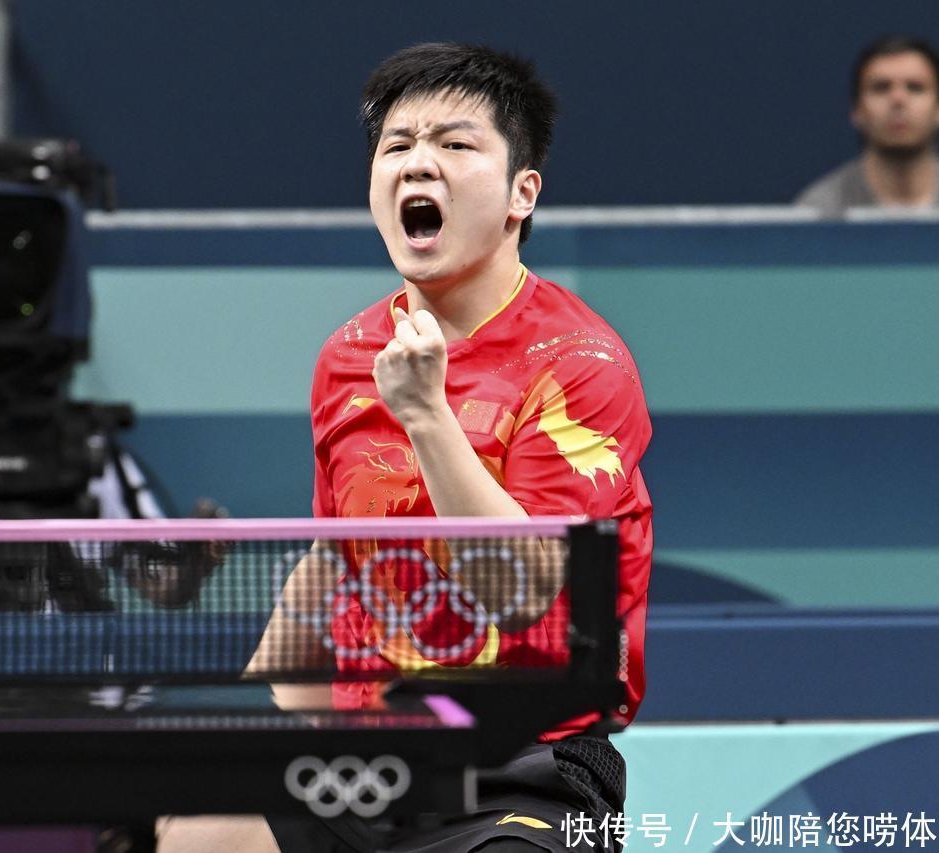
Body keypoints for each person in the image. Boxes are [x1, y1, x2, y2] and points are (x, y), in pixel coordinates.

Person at [238, 42, 653, 853]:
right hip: (363, 763)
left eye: (456, 144)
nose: (418, 163)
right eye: (397, 145)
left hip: (527, 762)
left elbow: (520, 589)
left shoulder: (581, 364)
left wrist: (426, 414)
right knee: (204, 824)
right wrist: (236, 725)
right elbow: (334, 563)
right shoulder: (346, 356)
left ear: (522, 192)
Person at [796, 35, 939, 217]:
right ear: (856, 110)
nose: (898, 99)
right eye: (881, 88)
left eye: (915, 87)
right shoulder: (817, 213)